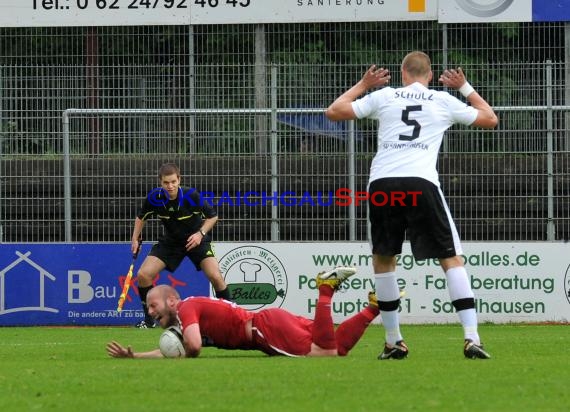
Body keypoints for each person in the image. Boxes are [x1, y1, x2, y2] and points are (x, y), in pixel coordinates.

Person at [325, 51, 498, 360]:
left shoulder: (385, 96)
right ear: (429, 76)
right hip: (421, 183)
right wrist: (464, 86)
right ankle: (472, 338)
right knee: (451, 260)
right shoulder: (442, 101)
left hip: (383, 185)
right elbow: (489, 118)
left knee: (384, 260)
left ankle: (394, 342)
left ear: (403, 74)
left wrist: (364, 83)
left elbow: (334, 111)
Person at [106, 267, 381, 358]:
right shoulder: (185, 315)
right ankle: (374, 306)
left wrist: (184, 352)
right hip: (271, 320)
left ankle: (326, 290)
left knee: (325, 353)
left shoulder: (188, 308)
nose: (150, 311)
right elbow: (178, 345)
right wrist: (136, 356)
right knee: (337, 348)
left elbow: (194, 346)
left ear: (172, 301)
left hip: (264, 331)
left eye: (153, 305)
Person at [131, 162, 230, 328]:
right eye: (166, 183)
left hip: (196, 240)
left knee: (215, 276)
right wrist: (135, 239)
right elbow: (141, 218)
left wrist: (200, 234)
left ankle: (230, 318)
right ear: (160, 182)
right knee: (143, 275)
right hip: (171, 242)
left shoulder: (191, 196)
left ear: (179, 180)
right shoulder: (154, 198)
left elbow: (212, 217)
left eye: (173, 182)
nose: (170, 186)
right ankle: (149, 322)